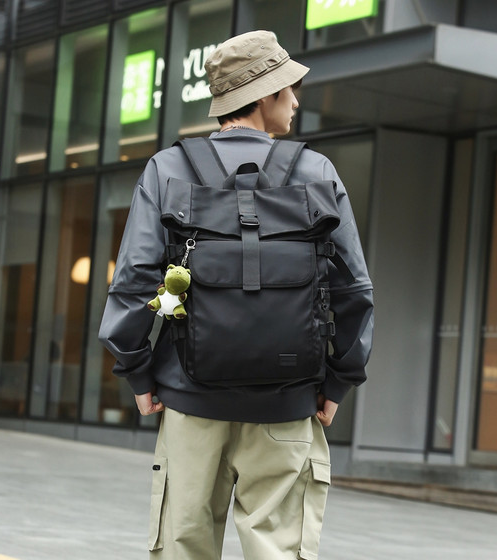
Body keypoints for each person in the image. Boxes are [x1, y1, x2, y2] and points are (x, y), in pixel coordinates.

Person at [99, 30, 374, 560]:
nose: (295, 100)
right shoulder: (315, 171)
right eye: (289, 88)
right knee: (277, 550)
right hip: (288, 403)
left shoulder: (169, 168)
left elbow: (133, 279)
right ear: (265, 95)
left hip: (188, 397)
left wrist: (137, 372)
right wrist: (338, 382)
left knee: (184, 547)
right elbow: (354, 290)